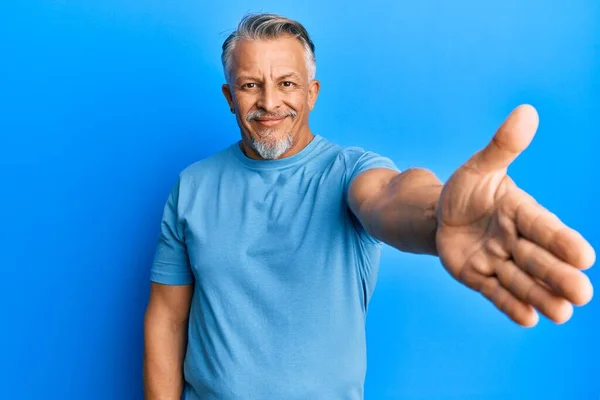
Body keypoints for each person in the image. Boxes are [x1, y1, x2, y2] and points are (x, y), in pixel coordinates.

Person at [142, 12, 595, 400]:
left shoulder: (348, 171)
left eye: (286, 83)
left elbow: (388, 196)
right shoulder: (193, 186)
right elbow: (167, 316)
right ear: (229, 97)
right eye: (249, 85)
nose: (269, 102)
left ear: (312, 92)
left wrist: (439, 214)